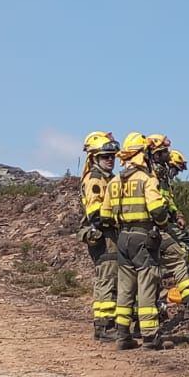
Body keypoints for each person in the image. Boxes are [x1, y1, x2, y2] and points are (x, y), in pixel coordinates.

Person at [110, 132, 171, 350]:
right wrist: (164, 223)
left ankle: (122, 336)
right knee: (147, 284)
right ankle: (150, 336)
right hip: (143, 236)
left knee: (125, 288)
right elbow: (157, 209)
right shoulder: (147, 180)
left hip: (123, 238)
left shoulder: (115, 181)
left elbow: (106, 214)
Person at [146, 134, 189, 340]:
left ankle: (150, 314)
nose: (167, 155)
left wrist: (177, 214)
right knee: (179, 255)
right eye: (164, 152)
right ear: (156, 154)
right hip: (156, 226)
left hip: (159, 225)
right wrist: (168, 219)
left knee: (152, 270)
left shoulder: (160, 175)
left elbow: (167, 199)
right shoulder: (153, 174)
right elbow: (159, 202)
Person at [79, 132, 122, 340]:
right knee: (107, 278)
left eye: (112, 156)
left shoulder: (110, 179)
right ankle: (104, 327)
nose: (110, 160)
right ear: (94, 157)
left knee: (115, 278)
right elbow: (96, 214)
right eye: (105, 156)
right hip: (102, 234)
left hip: (112, 233)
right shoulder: (95, 180)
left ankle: (112, 323)